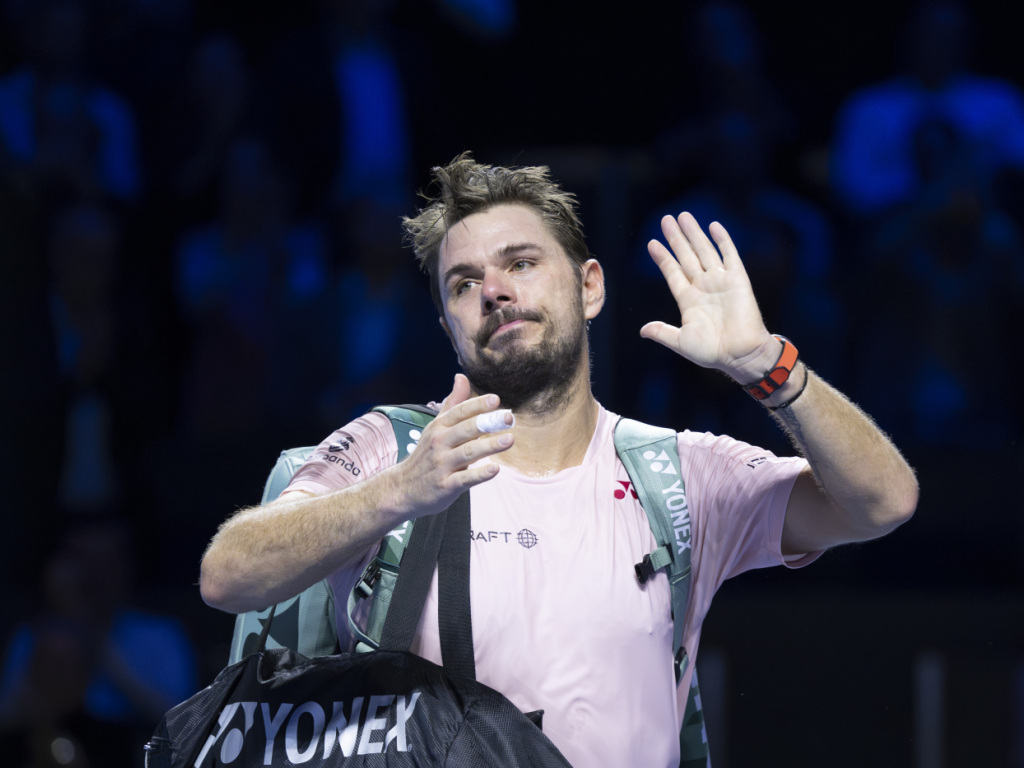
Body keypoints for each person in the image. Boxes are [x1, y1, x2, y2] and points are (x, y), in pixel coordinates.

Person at [199, 153, 919, 767]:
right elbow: (228, 575)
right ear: (449, 326)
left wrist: (767, 365)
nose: (494, 291)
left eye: (521, 263)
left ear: (589, 286)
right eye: (464, 284)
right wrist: (399, 493)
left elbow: (883, 502)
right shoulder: (395, 449)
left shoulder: (676, 474)